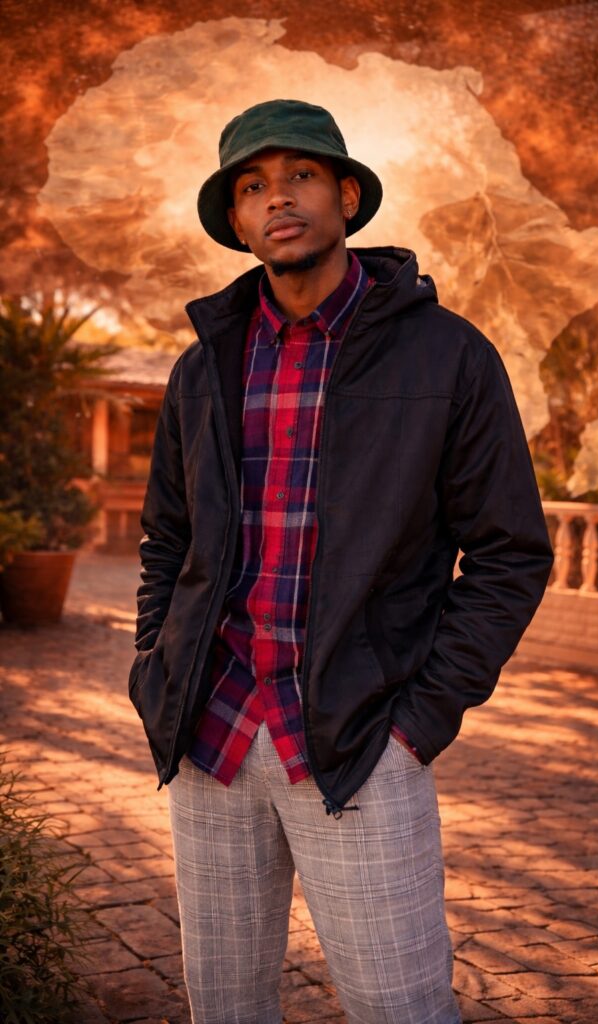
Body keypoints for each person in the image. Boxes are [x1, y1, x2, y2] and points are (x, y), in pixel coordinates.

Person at [129, 98, 554, 1024]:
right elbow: (168, 537)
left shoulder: (447, 355)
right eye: (252, 186)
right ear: (236, 220)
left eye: (300, 175)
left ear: (347, 196)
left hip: (361, 743)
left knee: (399, 1007)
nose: (277, 198)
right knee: (224, 1006)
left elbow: (509, 554)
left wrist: (418, 721)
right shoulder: (204, 366)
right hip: (211, 733)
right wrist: (155, 667)